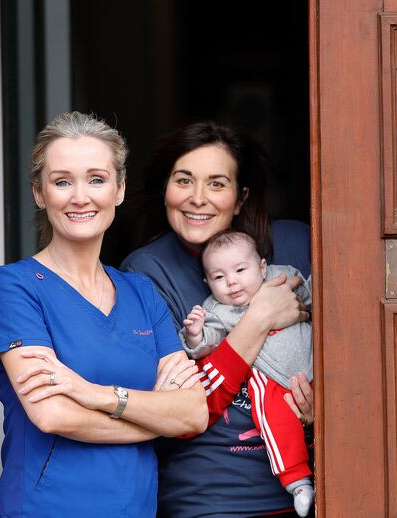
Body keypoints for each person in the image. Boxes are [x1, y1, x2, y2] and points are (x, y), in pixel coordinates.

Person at [0, 112, 208, 517]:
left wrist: (93, 394)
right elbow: (52, 414)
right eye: (62, 181)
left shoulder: (141, 292)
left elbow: (193, 413)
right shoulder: (14, 288)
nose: (80, 197)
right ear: (39, 193)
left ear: (119, 189)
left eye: (97, 179)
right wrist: (155, 417)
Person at [121, 121, 314, 517]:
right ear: (165, 189)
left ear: (240, 198)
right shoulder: (145, 273)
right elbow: (181, 411)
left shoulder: (297, 245)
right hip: (211, 497)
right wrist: (260, 317)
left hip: (315, 486)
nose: (198, 198)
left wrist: (324, 408)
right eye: (184, 180)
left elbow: (357, 344)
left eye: (216, 183)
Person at [182, 230, 314, 516]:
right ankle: (297, 481)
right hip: (271, 378)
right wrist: (195, 335)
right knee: (274, 418)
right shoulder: (216, 309)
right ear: (207, 283)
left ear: (263, 267)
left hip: (315, 361)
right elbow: (207, 343)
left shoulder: (282, 278)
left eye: (240, 270)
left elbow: (313, 295)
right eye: (219, 277)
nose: (231, 281)